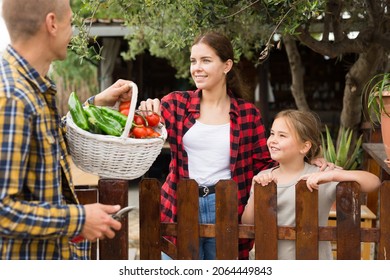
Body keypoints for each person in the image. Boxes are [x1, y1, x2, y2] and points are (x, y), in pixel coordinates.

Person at [0, 0, 134, 260]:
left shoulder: (33, 88)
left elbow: (48, 137)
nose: (72, 32)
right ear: (52, 23)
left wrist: (93, 106)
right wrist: (79, 218)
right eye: (70, 22)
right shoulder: (13, 97)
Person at [241, 109, 381, 260]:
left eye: (282, 135)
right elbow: (247, 223)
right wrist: (257, 191)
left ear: (304, 147)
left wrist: (333, 175)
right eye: (272, 133)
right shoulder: (262, 177)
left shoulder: (320, 177)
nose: (273, 140)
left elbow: (374, 182)